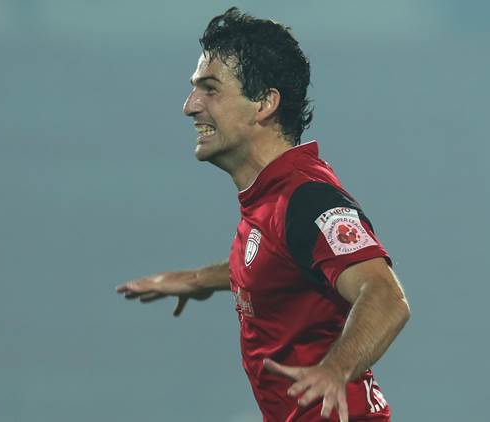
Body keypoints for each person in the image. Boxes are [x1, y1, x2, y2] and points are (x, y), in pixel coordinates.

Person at [116, 7, 410, 422]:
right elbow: (279, 262)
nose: (190, 106)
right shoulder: (271, 198)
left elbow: (386, 296)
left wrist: (335, 370)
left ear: (264, 103)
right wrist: (199, 279)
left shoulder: (308, 200)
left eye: (210, 89)